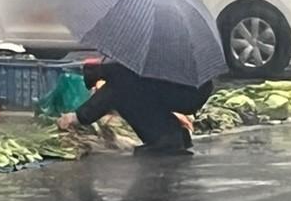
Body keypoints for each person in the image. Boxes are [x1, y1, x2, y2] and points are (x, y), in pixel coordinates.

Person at [58, 60, 213, 155]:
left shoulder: (125, 67)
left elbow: (114, 90)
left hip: (188, 90)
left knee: (125, 91)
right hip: (195, 88)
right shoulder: (154, 43)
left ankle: (165, 138)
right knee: (135, 89)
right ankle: (174, 134)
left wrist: (77, 117)